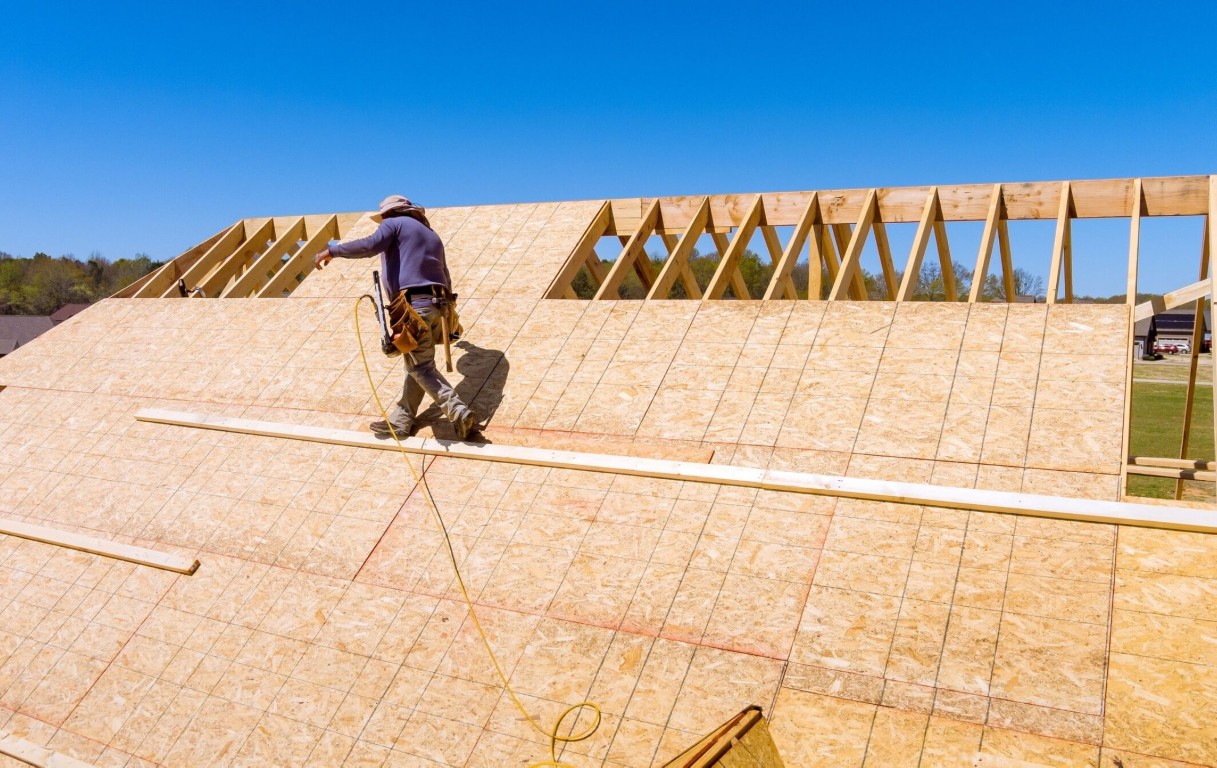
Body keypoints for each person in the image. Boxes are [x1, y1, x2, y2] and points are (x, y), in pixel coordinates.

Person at [313, 195, 478, 440]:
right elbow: (445, 274)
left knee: (420, 366)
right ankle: (401, 421)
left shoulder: (394, 223)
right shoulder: (431, 234)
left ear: (390, 213)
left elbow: (370, 245)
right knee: (415, 365)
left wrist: (332, 251)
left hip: (413, 309)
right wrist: (450, 313)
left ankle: (458, 411)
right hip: (438, 307)